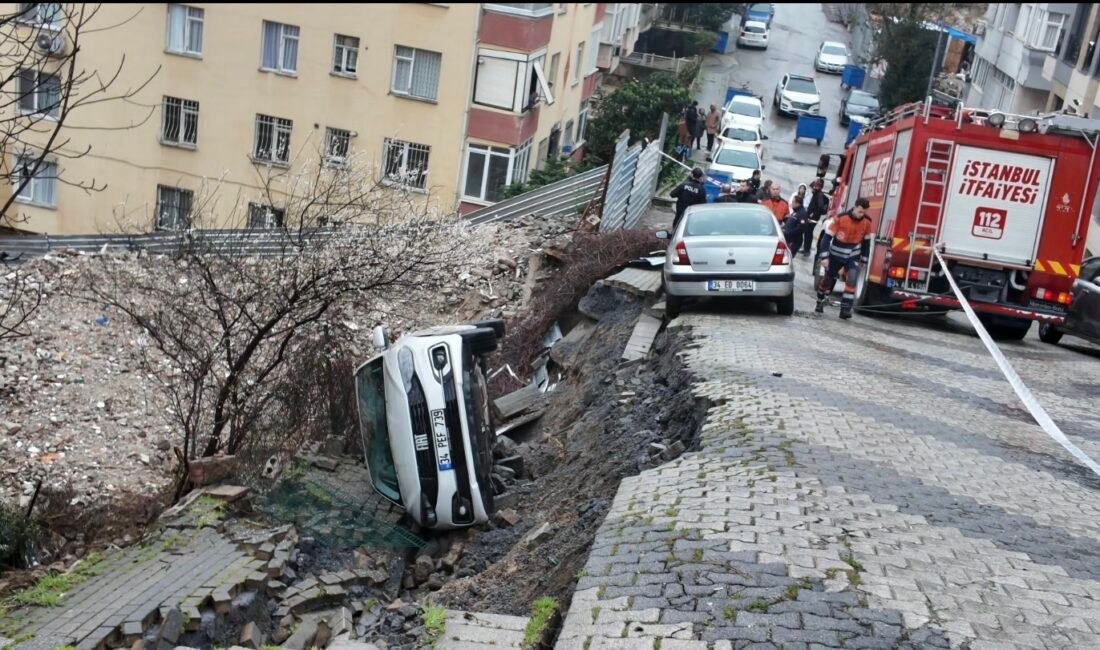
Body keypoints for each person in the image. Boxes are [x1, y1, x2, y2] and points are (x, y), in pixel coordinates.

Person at [816, 197, 873, 320]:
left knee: (852, 279)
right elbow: (826, 238)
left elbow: (866, 243)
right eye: (860, 212)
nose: (862, 215)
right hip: (835, 254)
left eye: (864, 212)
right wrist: (824, 257)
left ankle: (845, 309)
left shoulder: (867, 222)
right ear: (855, 207)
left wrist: (864, 260)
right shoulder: (840, 219)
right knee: (828, 280)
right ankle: (820, 300)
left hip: (852, 256)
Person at [801, 178, 831, 257]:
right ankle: (806, 249)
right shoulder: (816, 194)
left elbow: (820, 207)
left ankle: (807, 250)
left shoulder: (819, 195)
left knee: (808, 233)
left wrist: (813, 214)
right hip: (811, 217)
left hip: (813, 219)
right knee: (807, 233)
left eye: (815, 186)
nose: (813, 188)